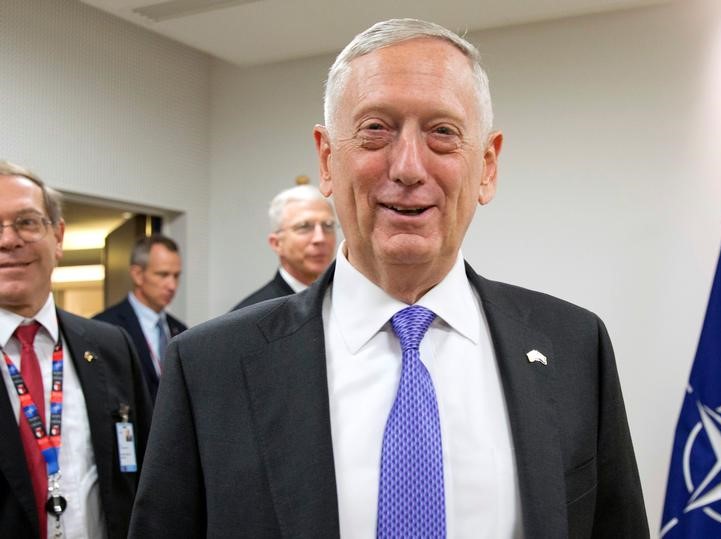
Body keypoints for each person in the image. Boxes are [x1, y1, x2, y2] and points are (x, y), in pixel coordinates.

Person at [129, 19, 648, 538]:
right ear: (328, 159)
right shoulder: (211, 369)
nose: (407, 167)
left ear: (487, 166)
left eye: (442, 132)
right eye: (375, 128)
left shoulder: (575, 348)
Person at [0, 161, 152, 539]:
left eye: (27, 222)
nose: (8, 240)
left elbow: (150, 474)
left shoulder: (111, 346)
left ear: (59, 236)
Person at [94, 235, 186, 401]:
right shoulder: (105, 326)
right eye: (163, 275)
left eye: (176, 276)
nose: (172, 286)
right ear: (137, 275)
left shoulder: (181, 331)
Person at [231, 184, 337, 310]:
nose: (320, 238)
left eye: (328, 225)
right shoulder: (252, 316)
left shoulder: (348, 300)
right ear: (276, 243)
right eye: (304, 227)